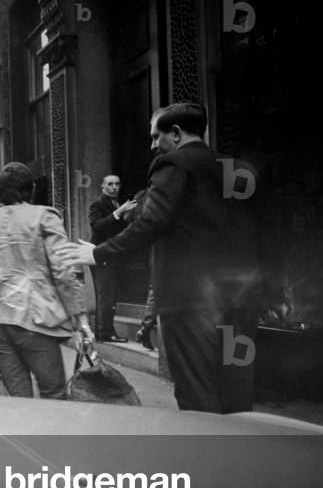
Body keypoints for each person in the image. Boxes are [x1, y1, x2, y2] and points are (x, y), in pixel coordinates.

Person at [57, 103, 265, 413]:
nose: (153, 145)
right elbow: (258, 229)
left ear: (177, 134)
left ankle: (208, 460)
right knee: (236, 392)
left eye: (157, 137)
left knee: (198, 394)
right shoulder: (235, 169)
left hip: (192, 302)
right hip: (241, 301)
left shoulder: (173, 164)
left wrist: (98, 252)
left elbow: (152, 222)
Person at [0, 162, 93, 399]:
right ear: (31, 189)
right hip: (33, 316)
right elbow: (63, 270)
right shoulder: (44, 217)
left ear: (1, 192)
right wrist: (81, 319)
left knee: (19, 398)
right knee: (54, 392)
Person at [88, 175, 137, 342]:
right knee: (106, 296)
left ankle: (103, 332)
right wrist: (118, 212)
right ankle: (105, 333)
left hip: (113, 256)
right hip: (102, 255)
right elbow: (97, 226)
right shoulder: (98, 204)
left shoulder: (117, 203)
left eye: (117, 184)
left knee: (109, 295)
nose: (114, 187)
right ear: (103, 186)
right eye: (110, 184)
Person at [124, 187, 156, 350]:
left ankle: (146, 327)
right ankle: (146, 327)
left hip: (146, 244)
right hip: (160, 244)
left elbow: (128, 217)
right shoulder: (161, 194)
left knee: (155, 285)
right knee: (157, 286)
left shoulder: (141, 195)